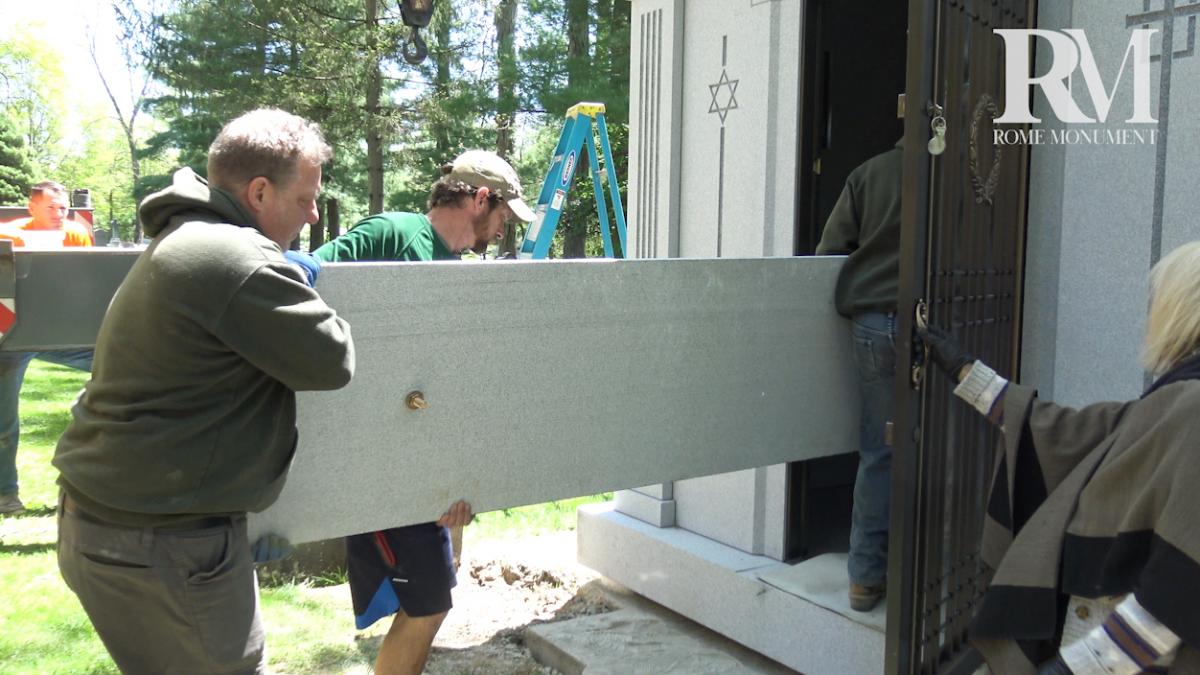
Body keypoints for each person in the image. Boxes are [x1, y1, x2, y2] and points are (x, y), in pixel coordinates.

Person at [53, 108, 355, 673]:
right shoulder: (233, 256)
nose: (315, 213)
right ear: (260, 192)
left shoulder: (188, 238)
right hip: (163, 544)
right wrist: (283, 273)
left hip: (112, 522)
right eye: (306, 198)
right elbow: (332, 359)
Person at [919, 241, 1200, 674]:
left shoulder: (1195, 407)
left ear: (1182, 309)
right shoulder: (1180, 394)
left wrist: (1077, 668)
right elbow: (1075, 433)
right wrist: (965, 371)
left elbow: (1178, 590)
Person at [314, 149, 534, 675]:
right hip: (374, 461)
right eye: (504, 214)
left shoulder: (457, 275)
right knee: (429, 601)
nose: (504, 227)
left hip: (415, 465)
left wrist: (451, 478)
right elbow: (303, 282)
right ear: (481, 199)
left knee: (432, 596)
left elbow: (441, 390)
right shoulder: (394, 232)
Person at [814, 139, 903, 612]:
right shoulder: (962, 179)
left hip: (873, 325)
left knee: (880, 448)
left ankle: (866, 579)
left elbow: (829, 251)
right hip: (939, 326)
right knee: (951, 444)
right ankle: (939, 569)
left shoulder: (868, 173)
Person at [0, 181, 95, 515]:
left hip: (65, 334)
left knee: (123, 369)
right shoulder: (8, 237)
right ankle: (5, 495)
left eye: (63, 208)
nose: (59, 214)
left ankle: (105, 481)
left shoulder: (76, 234)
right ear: (32, 207)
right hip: (11, 339)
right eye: (51, 207)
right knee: (3, 421)